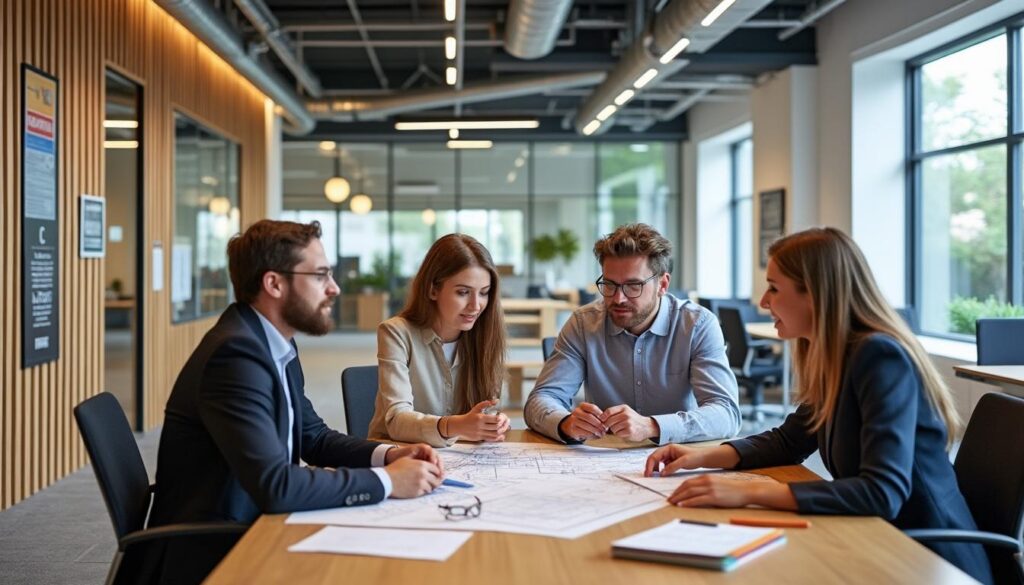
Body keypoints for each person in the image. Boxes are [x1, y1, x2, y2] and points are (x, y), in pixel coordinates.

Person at [644, 227, 992, 584]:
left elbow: (881, 492)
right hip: (875, 538)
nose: (764, 302)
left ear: (815, 295)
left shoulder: (879, 356)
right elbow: (789, 441)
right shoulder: (837, 356)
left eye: (774, 288)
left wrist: (750, 491)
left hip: (926, 558)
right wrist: (699, 456)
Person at [149, 220, 444, 582]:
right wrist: (387, 481)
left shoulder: (274, 341)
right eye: (320, 275)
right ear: (274, 283)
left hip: (258, 524)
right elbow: (276, 486)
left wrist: (389, 454)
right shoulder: (236, 356)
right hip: (218, 551)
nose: (334, 288)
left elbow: (313, 438)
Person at [525, 223, 741, 445]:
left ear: (662, 284)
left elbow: (726, 414)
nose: (618, 298)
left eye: (633, 285)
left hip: (678, 455)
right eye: (609, 285)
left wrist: (652, 426)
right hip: (601, 459)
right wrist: (565, 423)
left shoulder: (697, 325)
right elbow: (540, 401)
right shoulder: (583, 324)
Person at [369, 234, 510, 447]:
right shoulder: (396, 332)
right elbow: (396, 420)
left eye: (484, 293)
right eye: (463, 292)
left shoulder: (485, 336)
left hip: (462, 458)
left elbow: (483, 412)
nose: (476, 305)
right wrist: (457, 426)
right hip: (400, 456)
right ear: (433, 289)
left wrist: (491, 424)